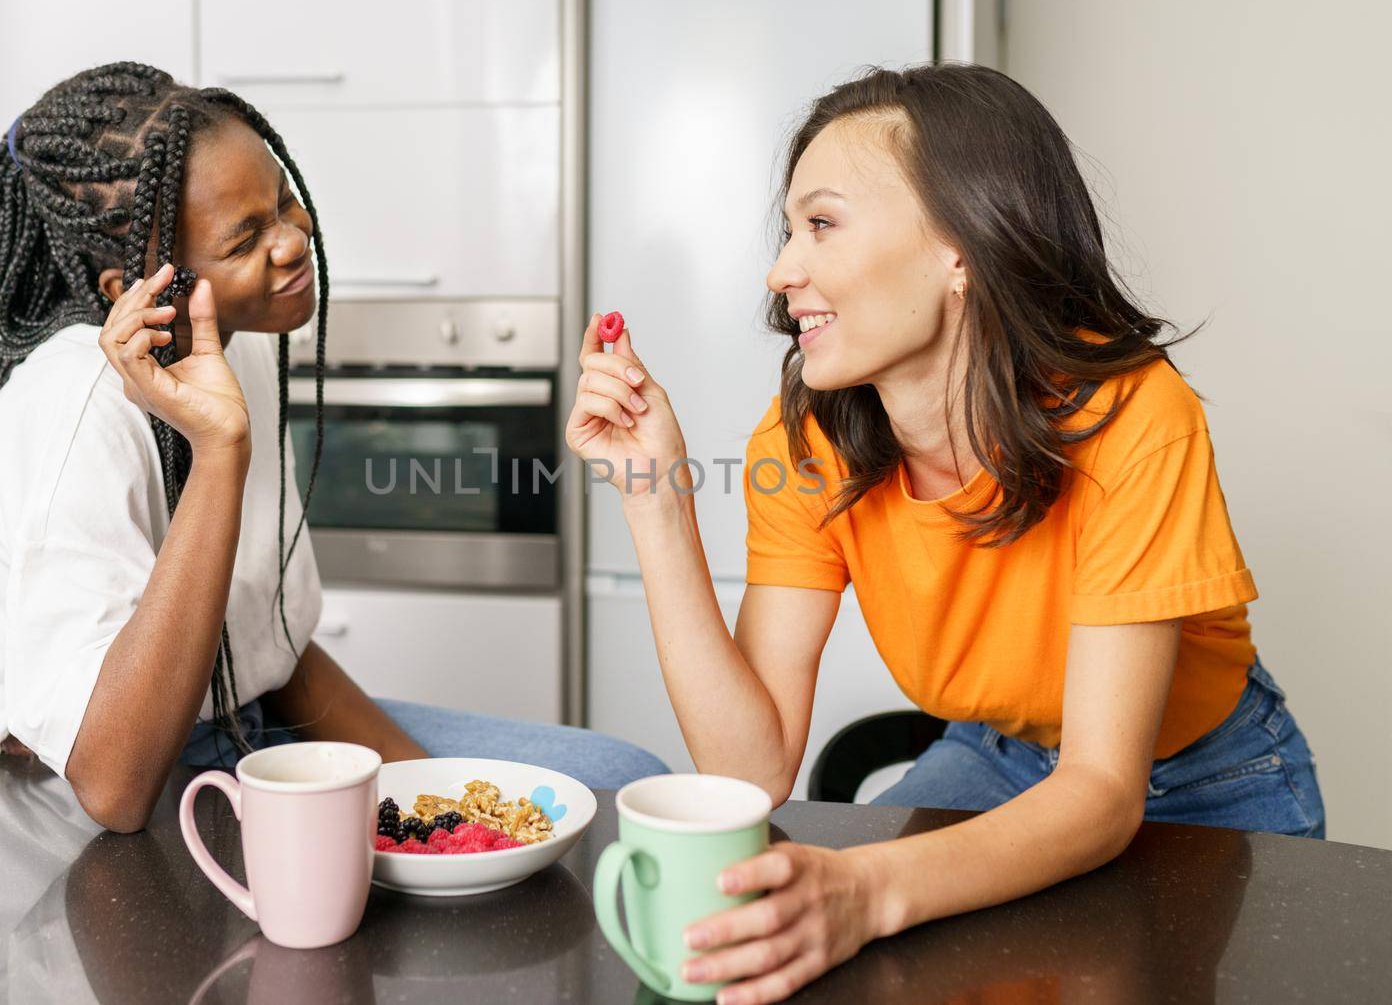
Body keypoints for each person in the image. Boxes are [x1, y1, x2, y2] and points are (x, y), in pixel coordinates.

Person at [564, 62, 1322, 1005]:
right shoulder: (810, 438)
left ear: (960, 247)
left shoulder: (1132, 414)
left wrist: (866, 889)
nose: (780, 270)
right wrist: (654, 500)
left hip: (1212, 778)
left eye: (823, 224)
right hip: (1000, 751)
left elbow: (1099, 788)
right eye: (790, 228)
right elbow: (747, 769)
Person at [0, 62, 665, 834]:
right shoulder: (76, 408)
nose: (296, 238)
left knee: (623, 785)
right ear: (136, 288)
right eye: (247, 237)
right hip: (69, 795)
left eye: (282, 200)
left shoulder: (236, 340)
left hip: (236, 723)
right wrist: (219, 450)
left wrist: (441, 801)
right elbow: (114, 785)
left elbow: (267, 656)